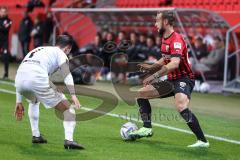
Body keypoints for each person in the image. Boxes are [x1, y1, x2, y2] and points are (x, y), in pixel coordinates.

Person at [129, 11, 209, 148]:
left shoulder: (176, 39)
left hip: (184, 79)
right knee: (141, 94)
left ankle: (202, 141)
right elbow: (165, 59)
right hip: (171, 80)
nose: (155, 24)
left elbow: (174, 63)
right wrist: (151, 68)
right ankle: (147, 128)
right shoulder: (165, 38)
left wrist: (154, 76)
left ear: (165, 22)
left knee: (181, 106)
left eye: (157, 21)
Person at [14, 35, 84, 150]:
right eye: (68, 51)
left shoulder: (39, 49)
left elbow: (22, 70)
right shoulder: (60, 53)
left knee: (34, 101)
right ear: (67, 48)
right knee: (68, 109)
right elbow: (66, 74)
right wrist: (73, 95)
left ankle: (36, 135)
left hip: (19, 80)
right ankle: (69, 141)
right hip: (37, 78)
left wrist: (18, 101)